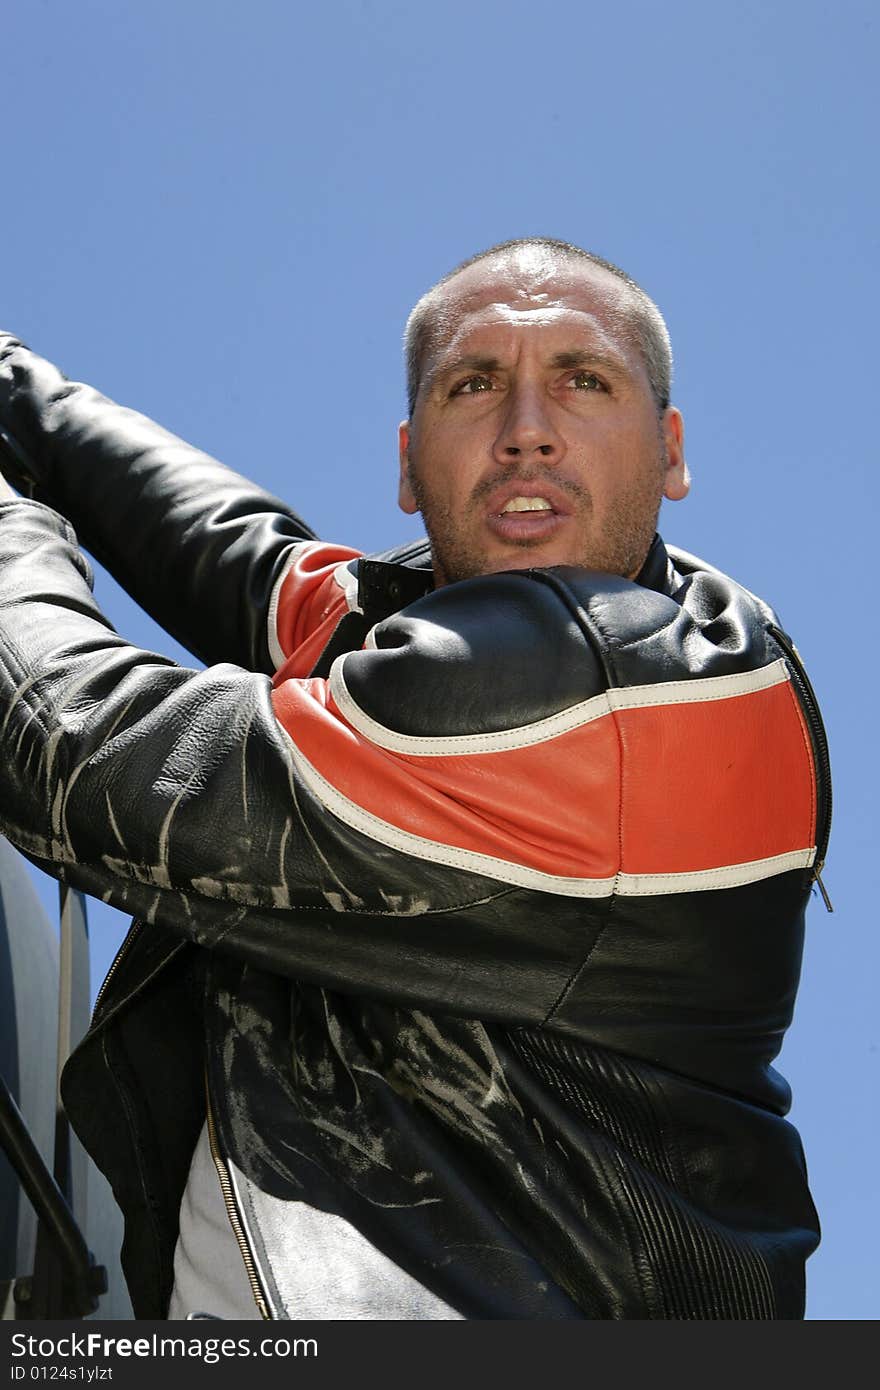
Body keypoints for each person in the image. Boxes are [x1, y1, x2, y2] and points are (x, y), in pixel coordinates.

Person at [0, 238, 829, 1321]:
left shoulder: (625, 701)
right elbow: (243, 556)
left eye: (583, 380)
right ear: (406, 465)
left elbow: (67, 749)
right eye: (473, 384)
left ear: (669, 451)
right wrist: (19, 381)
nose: (526, 427)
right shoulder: (467, 638)